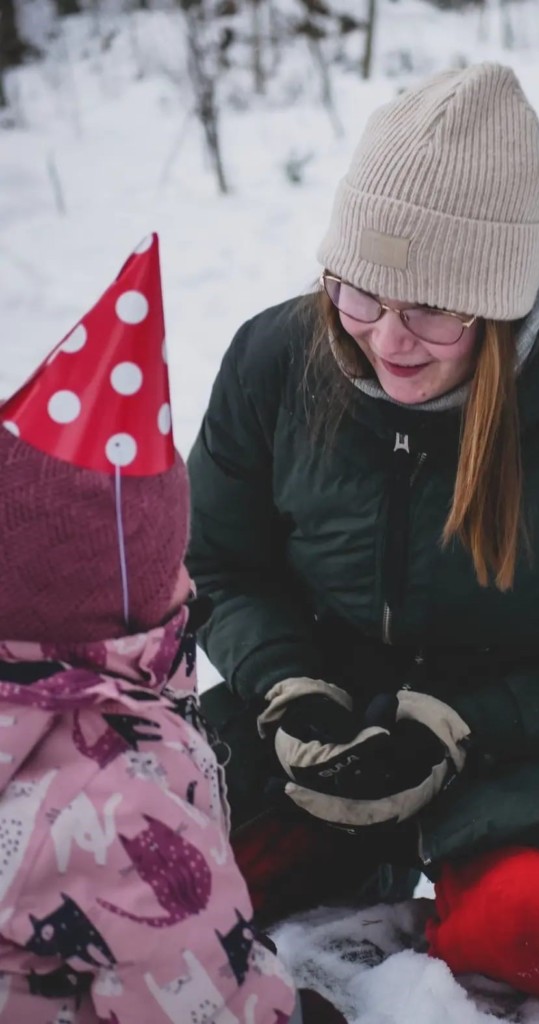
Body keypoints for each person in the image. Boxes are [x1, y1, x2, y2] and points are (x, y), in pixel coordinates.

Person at [189, 62, 539, 1007]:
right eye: (355, 295)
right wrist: (286, 685)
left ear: (504, 299)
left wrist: (458, 720)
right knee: (146, 858)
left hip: (530, 752)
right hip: (318, 737)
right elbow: (218, 562)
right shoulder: (275, 360)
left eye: (433, 310)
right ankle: (335, 868)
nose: (386, 339)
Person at [0, 237, 300, 1023]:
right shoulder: (125, 793)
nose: (192, 581)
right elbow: (208, 994)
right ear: (116, 604)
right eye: (173, 565)